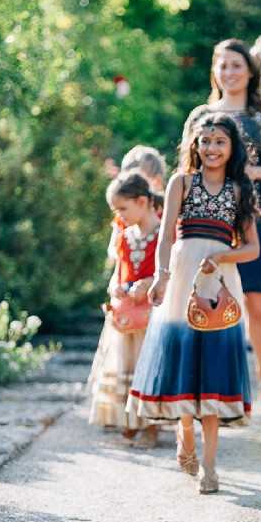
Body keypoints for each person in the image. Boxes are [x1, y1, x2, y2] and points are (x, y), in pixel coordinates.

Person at [127, 114, 260, 494]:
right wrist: (162, 276)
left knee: (215, 368)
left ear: (231, 147)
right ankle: (185, 432)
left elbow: (252, 248)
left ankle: (211, 465)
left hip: (219, 280)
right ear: (194, 146)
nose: (212, 149)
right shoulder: (180, 183)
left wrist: (221, 259)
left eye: (220, 141)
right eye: (205, 141)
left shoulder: (239, 190)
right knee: (183, 360)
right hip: (182, 277)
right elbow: (166, 235)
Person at [182, 39, 261, 412]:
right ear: (214, 71)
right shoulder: (200, 115)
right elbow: (186, 167)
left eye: (236, 65)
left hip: (255, 214)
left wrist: (246, 173)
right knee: (205, 298)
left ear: (249, 71)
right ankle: (208, 382)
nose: (229, 73)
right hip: (207, 218)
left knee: (258, 303)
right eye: (222, 65)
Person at [88, 171, 161, 446]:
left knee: (148, 366)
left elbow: (171, 271)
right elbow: (120, 270)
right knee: (124, 367)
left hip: (151, 313)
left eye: (123, 208)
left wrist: (149, 282)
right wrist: (116, 288)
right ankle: (130, 419)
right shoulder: (124, 236)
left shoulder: (162, 234)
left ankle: (151, 424)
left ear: (142, 201)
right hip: (127, 313)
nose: (120, 214)